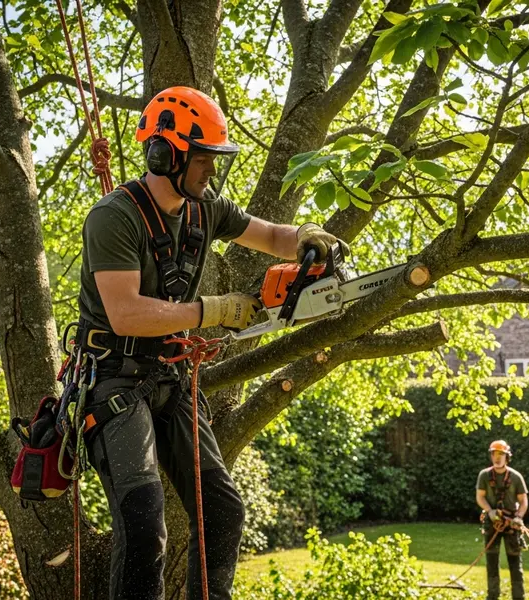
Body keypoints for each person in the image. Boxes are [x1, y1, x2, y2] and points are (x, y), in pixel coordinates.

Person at [78, 86, 345, 600]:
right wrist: (213, 311)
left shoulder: (206, 208)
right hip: (114, 379)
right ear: (164, 153)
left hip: (169, 378)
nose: (211, 170)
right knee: (142, 521)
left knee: (223, 511)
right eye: (203, 158)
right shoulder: (114, 216)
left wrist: (305, 236)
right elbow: (125, 312)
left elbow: (267, 234)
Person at [475, 440, 529, 600]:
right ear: (491, 456)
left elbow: (523, 500)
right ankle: (492, 596)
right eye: (494, 454)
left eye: (501, 454)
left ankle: (519, 597)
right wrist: (489, 511)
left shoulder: (516, 477)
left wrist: (519, 517)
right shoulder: (484, 476)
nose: (497, 458)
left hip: (512, 524)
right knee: (491, 561)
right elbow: (480, 497)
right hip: (492, 524)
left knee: (515, 562)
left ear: (507, 457)